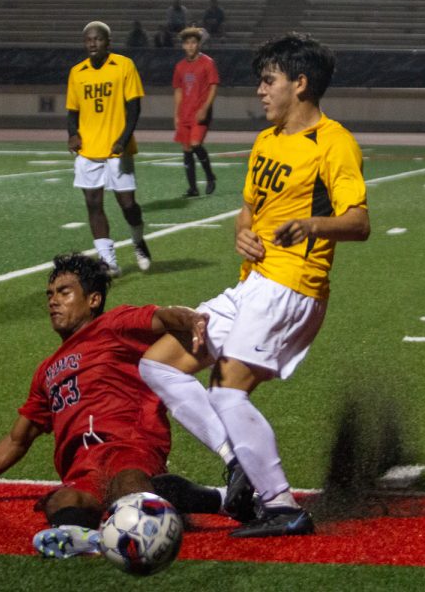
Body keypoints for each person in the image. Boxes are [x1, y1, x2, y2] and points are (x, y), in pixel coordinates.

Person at [138, 32, 370, 538]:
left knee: (226, 390)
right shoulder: (266, 141)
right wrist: (242, 234)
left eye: (270, 81)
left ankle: (282, 507)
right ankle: (238, 462)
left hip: (292, 287)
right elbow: (248, 212)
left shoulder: (333, 142)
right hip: (252, 284)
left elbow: (358, 221)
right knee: (158, 364)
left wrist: (312, 225)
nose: (260, 91)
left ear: (301, 84)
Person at [0, 252, 239, 559]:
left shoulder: (115, 326)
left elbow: (162, 317)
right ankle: (93, 538)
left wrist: (189, 318)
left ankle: (221, 500)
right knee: (63, 501)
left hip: (130, 445)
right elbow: (16, 440)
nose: (53, 301)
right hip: (82, 464)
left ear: (93, 300)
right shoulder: (46, 371)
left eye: (64, 292)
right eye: (50, 294)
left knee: (129, 490)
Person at [66, 21, 152, 277]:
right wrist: (73, 134)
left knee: (127, 204)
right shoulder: (77, 72)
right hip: (88, 149)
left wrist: (123, 140)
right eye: (88, 40)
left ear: (108, 42)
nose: (93, 43)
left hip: (118, 148)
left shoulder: (124, 65)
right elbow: (73, 111)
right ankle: (108, 260)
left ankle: (138, 241)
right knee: (93, 204)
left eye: (98, 39)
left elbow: (134, 108)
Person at [173, 27, 219, 197]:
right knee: (186, 150)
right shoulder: (180, 66)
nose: (190, 46)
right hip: (185, 112)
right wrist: (176, 114)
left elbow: (213, 87)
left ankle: (210, 176)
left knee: (195, 144)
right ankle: (193, 188)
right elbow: (178, 90)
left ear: (199, 44)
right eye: (187, 43)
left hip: (200, 112)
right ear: (183, 46)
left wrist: (205, 108)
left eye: (193, 43)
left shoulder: (208, 63)